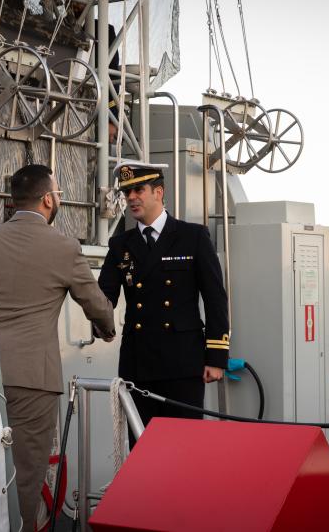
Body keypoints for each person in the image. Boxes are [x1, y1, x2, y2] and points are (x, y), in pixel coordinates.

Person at [0, 164, 115, 530]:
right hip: (34, 382)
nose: (58, 198)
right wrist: (107, 330)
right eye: (56, 193)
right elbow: (97, 305)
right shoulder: (64, 247)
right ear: (47, 199)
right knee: (26, 474)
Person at [98, 161, 230, 432]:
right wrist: (100, 322)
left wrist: (216, 358)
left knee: (184, 446)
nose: (131, 198)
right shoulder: (120, 244)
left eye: (139, 190)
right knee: (143, 446)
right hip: (138, 363)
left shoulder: (192, 236)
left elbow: (215, 297)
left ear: (158, 192)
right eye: (127, 192)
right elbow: (104, 295)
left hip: (182, 362)